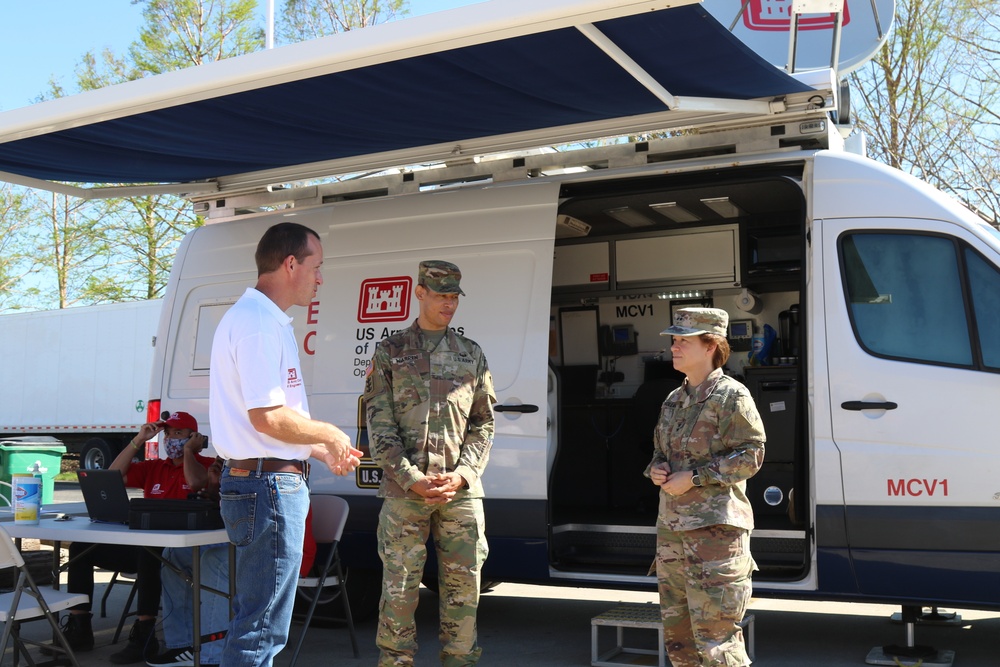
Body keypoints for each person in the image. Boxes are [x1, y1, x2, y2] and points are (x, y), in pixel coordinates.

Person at [209, 221, 362, 667]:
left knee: (256, 622)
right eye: (316, 267)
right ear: (290, 263)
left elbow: (262, 423)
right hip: (269, 487)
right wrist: (329, 434)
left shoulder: (258, 318)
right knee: (261, 630)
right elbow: (268, 417)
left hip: (260, 479)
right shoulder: (258, 324)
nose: (320, 278)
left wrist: (314, 448)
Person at [364, 259, 495, 667]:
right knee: (400, 589)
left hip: (459, 493)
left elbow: (483, 423)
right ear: (419, 293)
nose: (449, 304)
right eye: (441, 295)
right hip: (406, 493)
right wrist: (411, 478)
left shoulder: (471, 354)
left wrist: (463, 474)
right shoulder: (390, 351)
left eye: (454, 296)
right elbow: (378, 423)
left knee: (463, 589)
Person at [645, 307, 765, 667]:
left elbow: (753, 454)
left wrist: (696, 477)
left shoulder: (732, 396)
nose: (674, 348)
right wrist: (657, 470)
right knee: (679, 638)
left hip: (714, 536)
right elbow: (657, 452)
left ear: (711, 344)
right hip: (673, 532)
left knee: (716, 641)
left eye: (683, 340)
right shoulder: (673, 400)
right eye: (674, 341)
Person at [55, 411, 213, 664]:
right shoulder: (153, 467)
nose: (171, 438)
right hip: (145, 544)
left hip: (180, 552)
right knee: (81, 548)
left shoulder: (207, 464)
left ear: (194, 437)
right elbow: (111, 476)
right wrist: (138, 440)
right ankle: (79, 627)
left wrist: (187, 453)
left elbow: (196, 483)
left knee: (148, 553)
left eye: (179, 433)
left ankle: (144, 634)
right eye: (168, 433)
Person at [146, 458, 318, 667]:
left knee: (215, 562)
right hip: (248, 539)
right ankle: (183, 644)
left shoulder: (271, 482)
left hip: (282, 546)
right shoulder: (240, 480)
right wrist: (214, 486)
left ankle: (211, 654)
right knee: (176, 554)